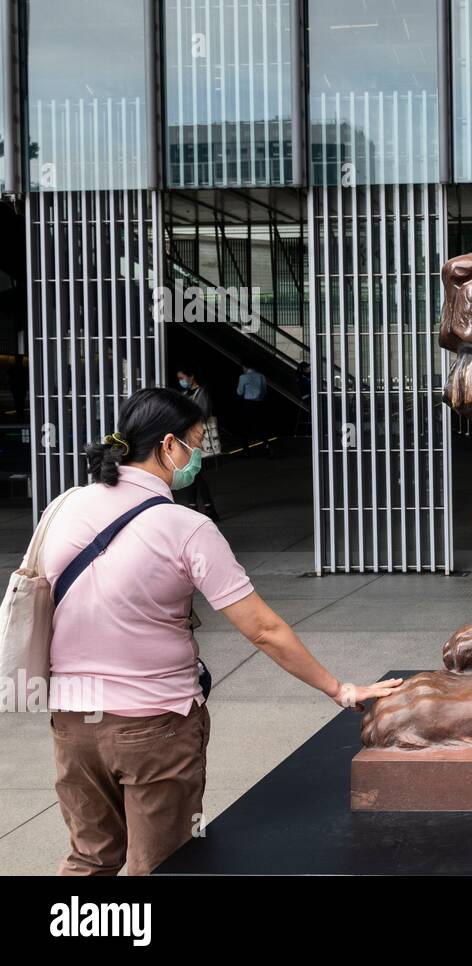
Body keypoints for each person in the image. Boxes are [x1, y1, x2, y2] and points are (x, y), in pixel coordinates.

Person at [41, 387, 402, 875]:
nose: (200, 455)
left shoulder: (63, 508)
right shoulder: (186, 527)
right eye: (196, 442)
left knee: (90, 857)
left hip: (71, 721)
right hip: (154, 724)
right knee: (163, 862)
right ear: (169, 446)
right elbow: (263, 629)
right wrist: (338, 688)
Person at [175, 368, 219, 519]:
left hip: (196, 438)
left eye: (182, 377)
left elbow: (204, 413)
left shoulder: (201, 393)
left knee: (193, 473)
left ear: (192, 376)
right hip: (188, 438)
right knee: (192, 473)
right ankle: (203, 507)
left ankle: (203, 507)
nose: (181, 381)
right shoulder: (186, 394)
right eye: (179, 378)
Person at [235, 365, 269, 457]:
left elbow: (239, 392)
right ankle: (267, 446)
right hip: (260, 404)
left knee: (244, 428)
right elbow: (265, 391)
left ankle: (246, 451)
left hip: (248, 405)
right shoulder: (261, 376)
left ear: (245, 367)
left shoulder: (243, 377)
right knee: (261, 427)